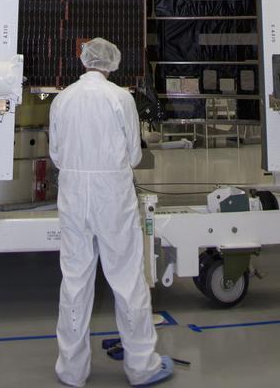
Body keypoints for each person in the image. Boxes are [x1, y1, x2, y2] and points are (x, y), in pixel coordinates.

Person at [49, 38, 174, 388]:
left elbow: (56, 154)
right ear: (111, 64)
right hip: (112, 196)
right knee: (127, 278)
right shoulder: (120, 98)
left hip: (73, 195)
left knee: (74, 280)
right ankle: (142, 367)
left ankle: (71, 371)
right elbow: (134, 155)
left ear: (84, 61)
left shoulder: (62, 99)